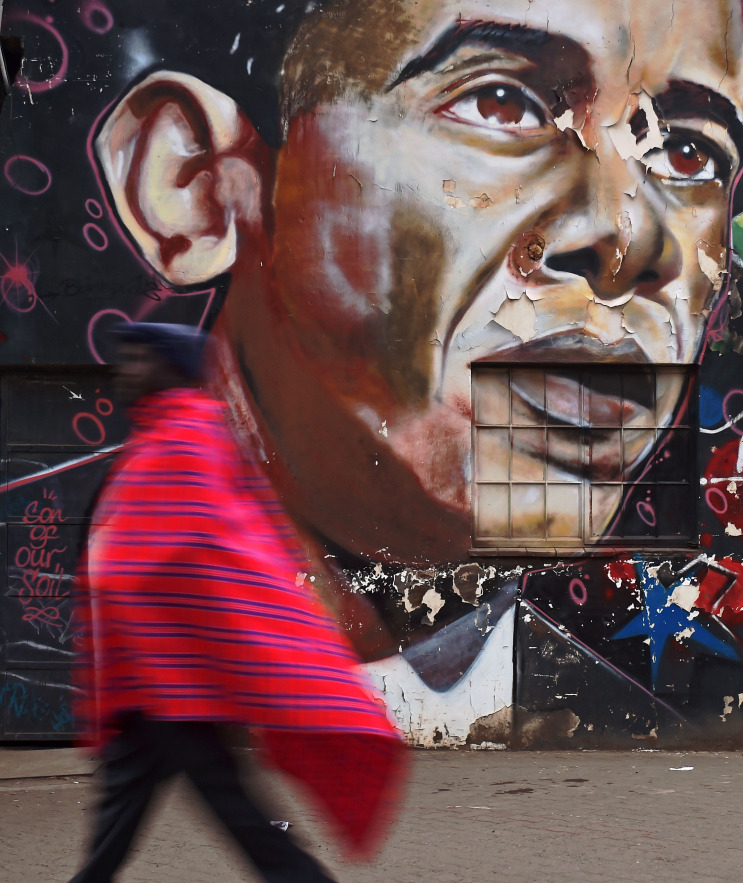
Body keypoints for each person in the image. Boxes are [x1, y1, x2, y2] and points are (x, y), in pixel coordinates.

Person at [81, 0, 743, 734]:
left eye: (689, 154)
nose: (629, 241)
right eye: (500, 102)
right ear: (200, 186)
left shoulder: (599, 699)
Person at [1, 321, 405, 883]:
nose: (126, 370)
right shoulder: (163, 434)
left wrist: (116, 575)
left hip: (179, 675)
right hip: (154, 672)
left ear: (173, 367)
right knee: (125, 806)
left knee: (222, 801)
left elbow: (200, 546)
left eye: (140, 359)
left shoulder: (187, 435)